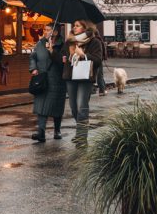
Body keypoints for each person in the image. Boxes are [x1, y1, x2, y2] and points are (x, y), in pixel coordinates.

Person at [61, 19, 103, 147]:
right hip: (70, 77)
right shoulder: (69, 42)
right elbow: (62, 57)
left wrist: (84, 55)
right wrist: (57, 54)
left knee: (81, 106)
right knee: (74, 108)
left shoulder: (94, 42)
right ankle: (81, 131)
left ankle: (81, 138)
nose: (74, 28)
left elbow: (98, 60)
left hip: (85, 78)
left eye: (77, 26)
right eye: (74, 26)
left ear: (85, 28)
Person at [29, 24, 66, 142]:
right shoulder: (40, 43)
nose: (45, 31)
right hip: (42, 78)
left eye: (48, 29)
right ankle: (41, 132)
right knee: (41, 105)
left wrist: (52, 50)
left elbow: (62, 61)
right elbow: (33, 57)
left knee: (56, 106)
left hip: (57, 79)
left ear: (55, 32)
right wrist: (33, 68)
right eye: (44, 29)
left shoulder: (62, 45)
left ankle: (57, 130)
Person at [94, 31, 108, 96]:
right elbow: (104, 50)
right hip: (100, 60)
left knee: (99, 76)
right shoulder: (99, 39)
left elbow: (101, 50)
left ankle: (102, 90)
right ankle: (103, 89)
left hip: (98, 60)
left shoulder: (96, 40)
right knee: (100, 75)